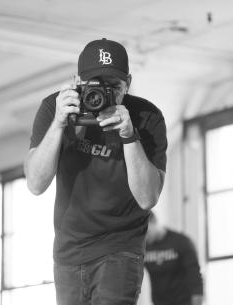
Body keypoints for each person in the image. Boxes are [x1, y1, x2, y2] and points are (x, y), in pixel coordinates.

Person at [24, 38, 167, 305]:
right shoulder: (55, 108)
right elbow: (35, 183)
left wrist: (129, 136)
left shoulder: (147, 118)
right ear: (77, 80)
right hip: (69, 250)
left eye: (113, 86)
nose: (102, 94)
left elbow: (148, 198)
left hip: (120, 246)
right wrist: (58, 124)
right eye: (94, 84)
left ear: (129, 82)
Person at [145, 213, 204, 305]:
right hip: (159, 302)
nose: (145, 237)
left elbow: (195, 278)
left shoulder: (181, 242)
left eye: (146, 232)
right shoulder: (143, 248)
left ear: (154, 222)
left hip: (184, 301)